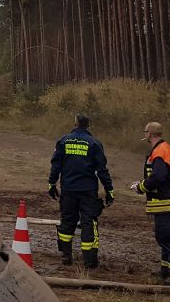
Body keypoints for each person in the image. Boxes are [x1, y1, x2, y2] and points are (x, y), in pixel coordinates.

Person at [47, 114, 115, 268]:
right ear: (88, 126)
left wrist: (51, 184)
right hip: (88, 191)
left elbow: (56, 165)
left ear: (75, 123)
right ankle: (89, 261)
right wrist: (109, 189)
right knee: (89, 223)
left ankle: (65, 257)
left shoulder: (64, 140)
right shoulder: (94, 143)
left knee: (67, 222)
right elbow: (102, 170)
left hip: (68, 189)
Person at [129, 122, 170, 285]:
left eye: (145, 132)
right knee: (165, 236)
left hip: (166, 202)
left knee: (166, 237)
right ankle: (166, 271)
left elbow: (158, 177)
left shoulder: (159, 152)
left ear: (149, 134)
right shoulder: (168, 148)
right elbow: (167, 175)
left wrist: (141, 187)